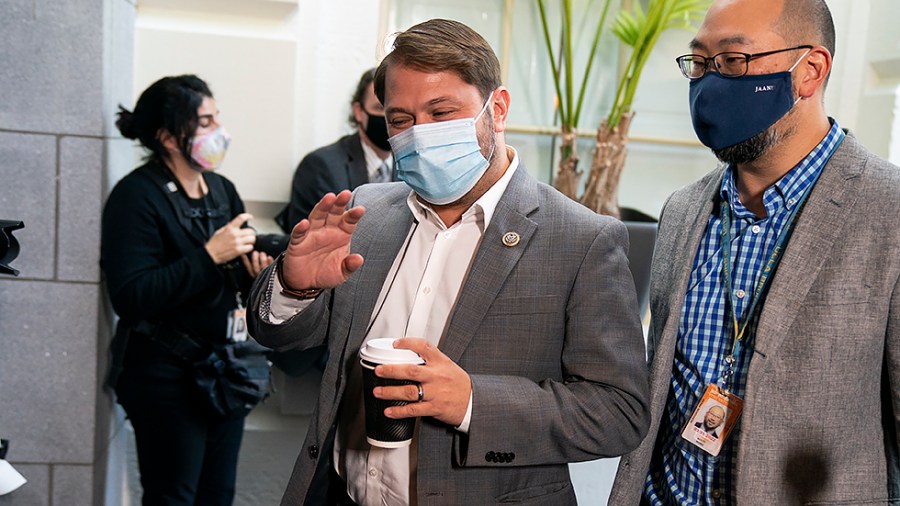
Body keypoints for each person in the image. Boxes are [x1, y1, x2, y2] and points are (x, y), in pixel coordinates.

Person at [247, 18, 650, 506]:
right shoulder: (367, 212)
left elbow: (619, 412)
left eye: (442, 112)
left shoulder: (582, 240)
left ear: (496, 109)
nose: (420, 135)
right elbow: (283, 336)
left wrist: (472, 403)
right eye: (401, 120)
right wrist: (295, 287)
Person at [609, 0, 900, 504]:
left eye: (733, 61)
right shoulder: (681, 211)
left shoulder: (887, 213)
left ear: (809, 70)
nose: (709, 81)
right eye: (699, 63)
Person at [101, 74, 273, 505]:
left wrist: (254, 270)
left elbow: (232, 274)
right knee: (173, 496)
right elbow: (132, 296)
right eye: (205, 122)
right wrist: (209, 255)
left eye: (218, 118)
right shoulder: (136, 196)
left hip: (223, 369)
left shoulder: (221, 189)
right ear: (168, 137)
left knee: (219, 495)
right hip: (164, 375)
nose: (219, 131)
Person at [276, 68, 393, 233]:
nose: (388, 120)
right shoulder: (321, 166)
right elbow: (308, 237)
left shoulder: (409, 165)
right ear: (359, 112)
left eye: (394, 111)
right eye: (380, 109)